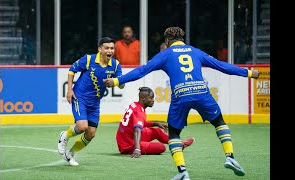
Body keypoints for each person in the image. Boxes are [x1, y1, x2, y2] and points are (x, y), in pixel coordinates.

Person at [103, 27, 259, 179]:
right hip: (202, 93)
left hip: (181, 95)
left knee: (174, 134)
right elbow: (222, 66)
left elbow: (141, 71)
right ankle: (230, 156)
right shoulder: (196, 52)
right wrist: (249, 72)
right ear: (182, 39)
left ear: (167, 40)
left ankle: (182, 171)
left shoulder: (165, 54)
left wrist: (117, 80)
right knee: (219, 122)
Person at [57, 37, 125, 166]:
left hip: (95, 103)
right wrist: (70, 90)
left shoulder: (115, 65)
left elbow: (120, 83)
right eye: (107, 48)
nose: (110, 50)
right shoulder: (89, 59)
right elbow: (72, 70)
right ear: (100, 49)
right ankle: (64, 135)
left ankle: (71, 153)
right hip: (79, 97)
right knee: (82, 126)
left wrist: (119, 83)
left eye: (112, 48)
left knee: (91, 133)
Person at [116, 87, 195, 158]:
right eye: (150, 98)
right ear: (143, 98)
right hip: (128, 145)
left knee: (157, 131)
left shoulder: (135, 105)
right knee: (161, 147)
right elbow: (137, 130)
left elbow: (138, 124)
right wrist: (137, 149)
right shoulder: (139, 112)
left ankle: (179, 144)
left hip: (125, 138)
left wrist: (155, 124)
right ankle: (139, 146)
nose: (153, 100)